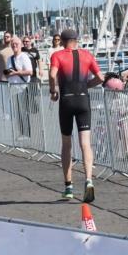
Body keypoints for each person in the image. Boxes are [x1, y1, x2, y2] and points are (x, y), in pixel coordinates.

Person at [49, 28, 103, 203]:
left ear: (62, 41)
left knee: (67, 144)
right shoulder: (87, 55)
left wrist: (53, 90)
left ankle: (69, 187)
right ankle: (88, 180)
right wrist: (86, 86)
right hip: (83, 100)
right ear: (76, 40)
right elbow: (100, 77)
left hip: (67, 100)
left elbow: (52, 74)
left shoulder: (57, 55)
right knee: (85, 144)